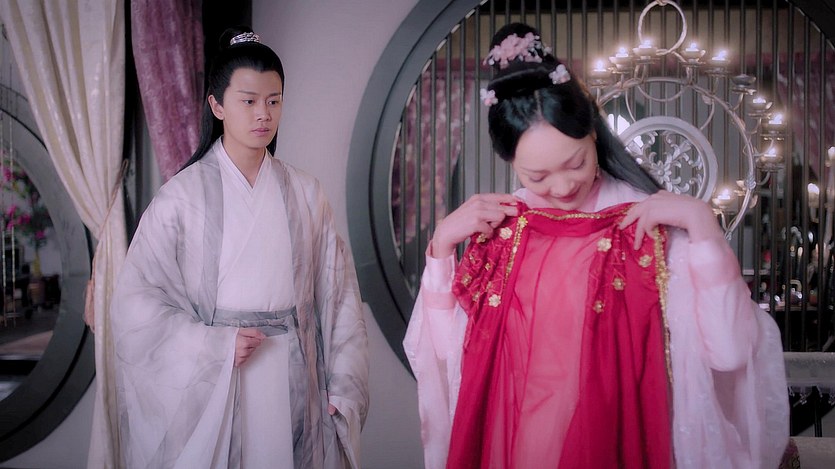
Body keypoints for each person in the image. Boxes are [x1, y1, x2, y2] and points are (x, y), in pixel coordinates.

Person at [404, 22, 788, 469]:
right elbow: (452, 358)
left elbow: (730, 351)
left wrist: (704, 229)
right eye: (537, 177)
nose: (562, 187)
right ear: (511, 164)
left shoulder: (645, 224)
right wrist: (441, 249)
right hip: (525, 443)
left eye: (575, 163)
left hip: (622, 440)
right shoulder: (507, 231)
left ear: (593, 133)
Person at [104, 26, 369, 468]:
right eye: (248, 101)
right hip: (220, 381)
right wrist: (213, 345)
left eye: (274, 101)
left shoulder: (307, 193)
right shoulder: (180, 198)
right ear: (217, 105)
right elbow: (135, 304)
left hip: (295, 375)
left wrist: (343, 384)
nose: (263, 114)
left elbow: (338, 295)